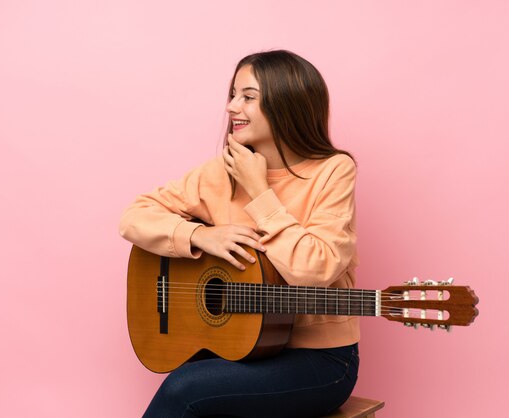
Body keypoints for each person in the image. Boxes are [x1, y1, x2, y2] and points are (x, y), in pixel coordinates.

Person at [119, 50, 360, 418]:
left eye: (248, 97)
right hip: (242, 350)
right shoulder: (219, 173)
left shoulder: (333, 171)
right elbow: (134, 217)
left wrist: (259, 191)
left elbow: (316, 269)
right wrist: (197, 236)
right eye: (232, 95)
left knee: (185, 389)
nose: (232, 107)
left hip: (320, 363)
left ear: (287, 104)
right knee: (192, 380)